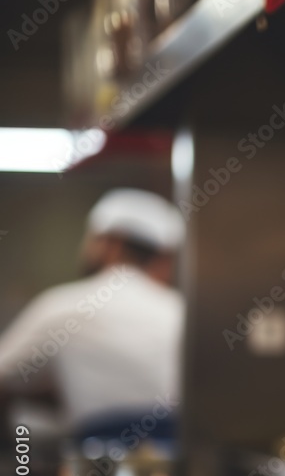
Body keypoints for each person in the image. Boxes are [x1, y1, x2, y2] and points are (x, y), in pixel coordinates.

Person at [0, 188, 185, 440]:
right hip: (178, 457)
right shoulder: (178, 309)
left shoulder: (64, 305)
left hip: (96, 463)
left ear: (111, 243)